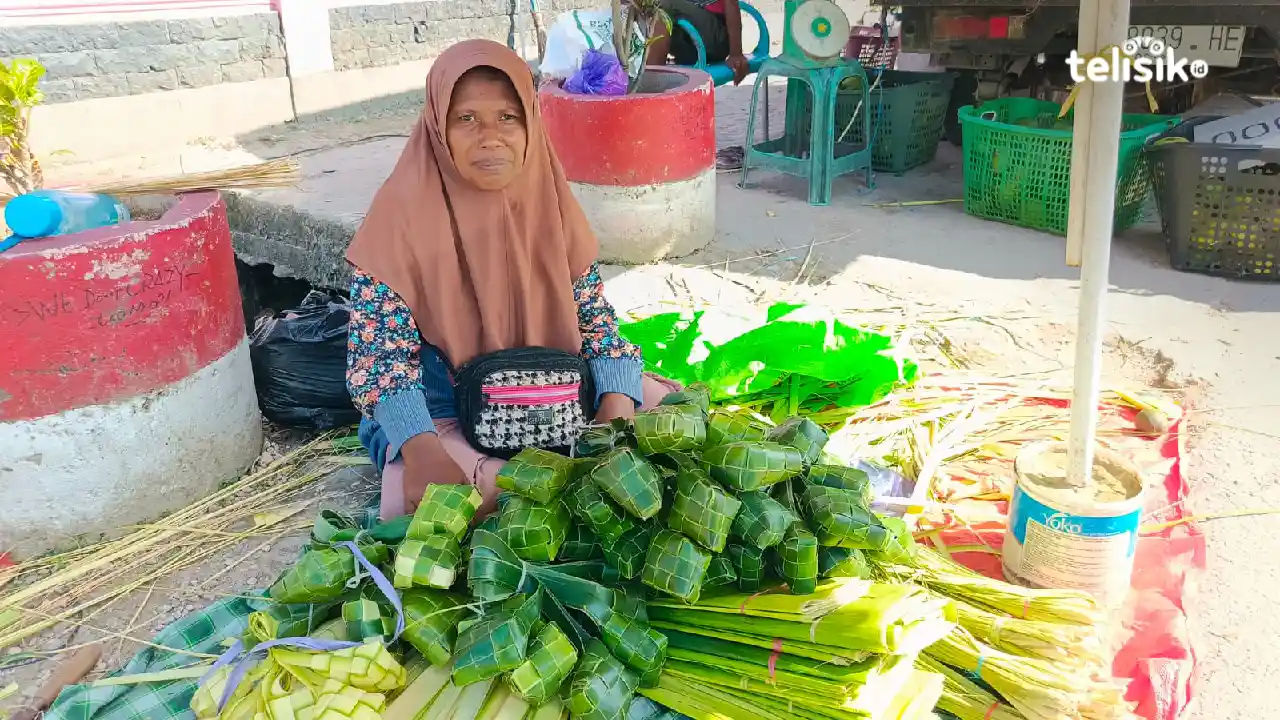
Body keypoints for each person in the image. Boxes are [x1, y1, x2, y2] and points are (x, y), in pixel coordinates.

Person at [346, 39, 678, 521]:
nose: (490, 137)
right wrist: (422, 450)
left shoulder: (551, 205)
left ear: (531, 125)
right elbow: (380, 362)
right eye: (466, 119)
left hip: (557, 395)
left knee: (672, 429)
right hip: (442, 415)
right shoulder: (398, 221)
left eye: (508, 117)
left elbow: (598, 327)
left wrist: (614, 412)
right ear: (438, 126)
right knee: (475, 503)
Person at [645, 0, 750, 84]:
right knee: (645, 7)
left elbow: (731, 3)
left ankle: (651, 82)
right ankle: (646, 74)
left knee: (663, 4)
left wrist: (736, 53)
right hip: (689, 42)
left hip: (715, 38)